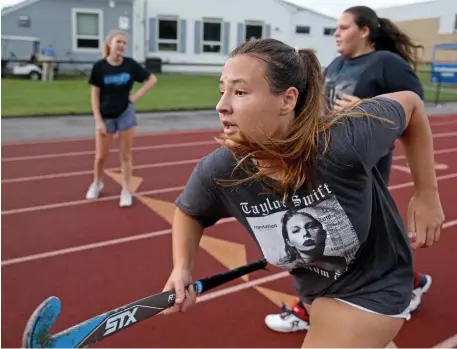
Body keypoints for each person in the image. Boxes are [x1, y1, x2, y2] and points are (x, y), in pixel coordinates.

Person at [161, 37, 445, 348]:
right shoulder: (220, 170)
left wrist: (427, 194)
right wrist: (182, 268)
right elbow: (190, 211)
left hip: (378, 285)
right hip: (316, 292)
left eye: (240, 92)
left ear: (287, 99)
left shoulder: (343, 142)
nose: (221, 106)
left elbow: (412, 104)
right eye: (222, 91)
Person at [264, 5, 434, 334]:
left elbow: (416, 111)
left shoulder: (387, 63)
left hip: (361, 170)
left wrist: (365, 110)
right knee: (349, 244)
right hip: (327, 161)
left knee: (330, 243)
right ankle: (413, 281)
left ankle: (307, 307)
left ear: (364, 31)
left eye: (343, 28)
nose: (336, 34)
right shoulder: (339, 63)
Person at [85, 29, 157, 207]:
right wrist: (98, 120)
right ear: (109, 43)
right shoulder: (100, 67)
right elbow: (94, 96)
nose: (122, 46)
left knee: (125, 155)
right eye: (119, 41)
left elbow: (152, 79)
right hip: (106, 116)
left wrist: (135, 97)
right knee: (101, 156)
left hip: (125, 114)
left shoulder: (130, 65)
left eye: (125, 43)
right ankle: (97, 183)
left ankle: (126, 189)